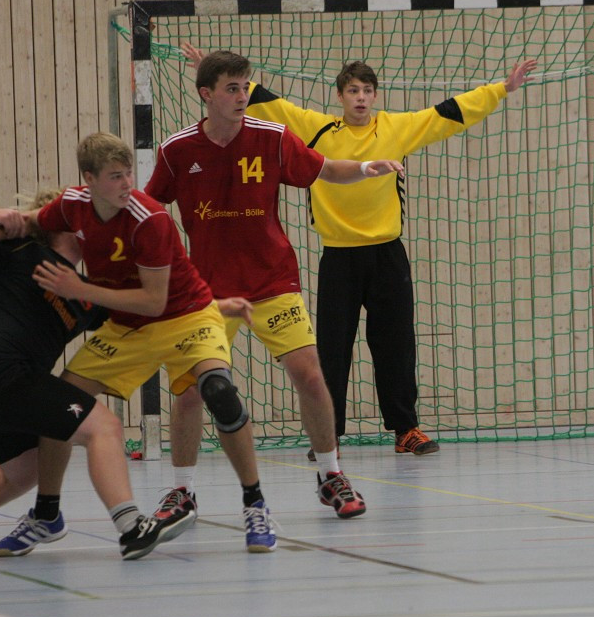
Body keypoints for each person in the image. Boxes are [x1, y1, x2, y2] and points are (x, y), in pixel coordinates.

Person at [182, 42, 536, 456]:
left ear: (375, 96)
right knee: (331, 348)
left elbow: (448, 114)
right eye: (353, 91)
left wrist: (502, 89)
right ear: (340, 97)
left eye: (367, 91)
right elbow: (267, 102)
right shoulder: (317, 128)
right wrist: (211, 68)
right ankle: (329, 433)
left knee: (396, 343)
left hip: (387, 254)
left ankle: (406, 429)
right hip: (338, 257)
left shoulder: (395, 128)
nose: (361, 98)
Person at [0, 132, 280, 552]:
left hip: (185, 316)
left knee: (219, 391)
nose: (127, 184)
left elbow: (154, 301)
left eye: (128, 174)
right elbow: (33, 223)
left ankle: (255, 503)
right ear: (88, 179)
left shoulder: (150, 218)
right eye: (114, 176)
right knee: (57, 407)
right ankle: (47, 513)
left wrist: (79, 289)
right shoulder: (73, 205)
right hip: (127, 329)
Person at [144, 50, 405, 520]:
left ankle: (330, 475)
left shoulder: (274, 137)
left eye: (246, 86)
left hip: (272, 282)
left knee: (310, 374)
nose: (243, 95)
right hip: (207, 293)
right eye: (231, 88)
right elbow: (149, 207)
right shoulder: (177, 150)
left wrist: (368, 168)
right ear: (206, 94)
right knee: (188, 390)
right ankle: (181, 490)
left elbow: (326, 169)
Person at [0, 190, 194, 561]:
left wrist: (217, 306)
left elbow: (149, 311)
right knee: (104, 427)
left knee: (25, 472)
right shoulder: (20, 251)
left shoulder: (85, 293)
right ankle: (131, 526)